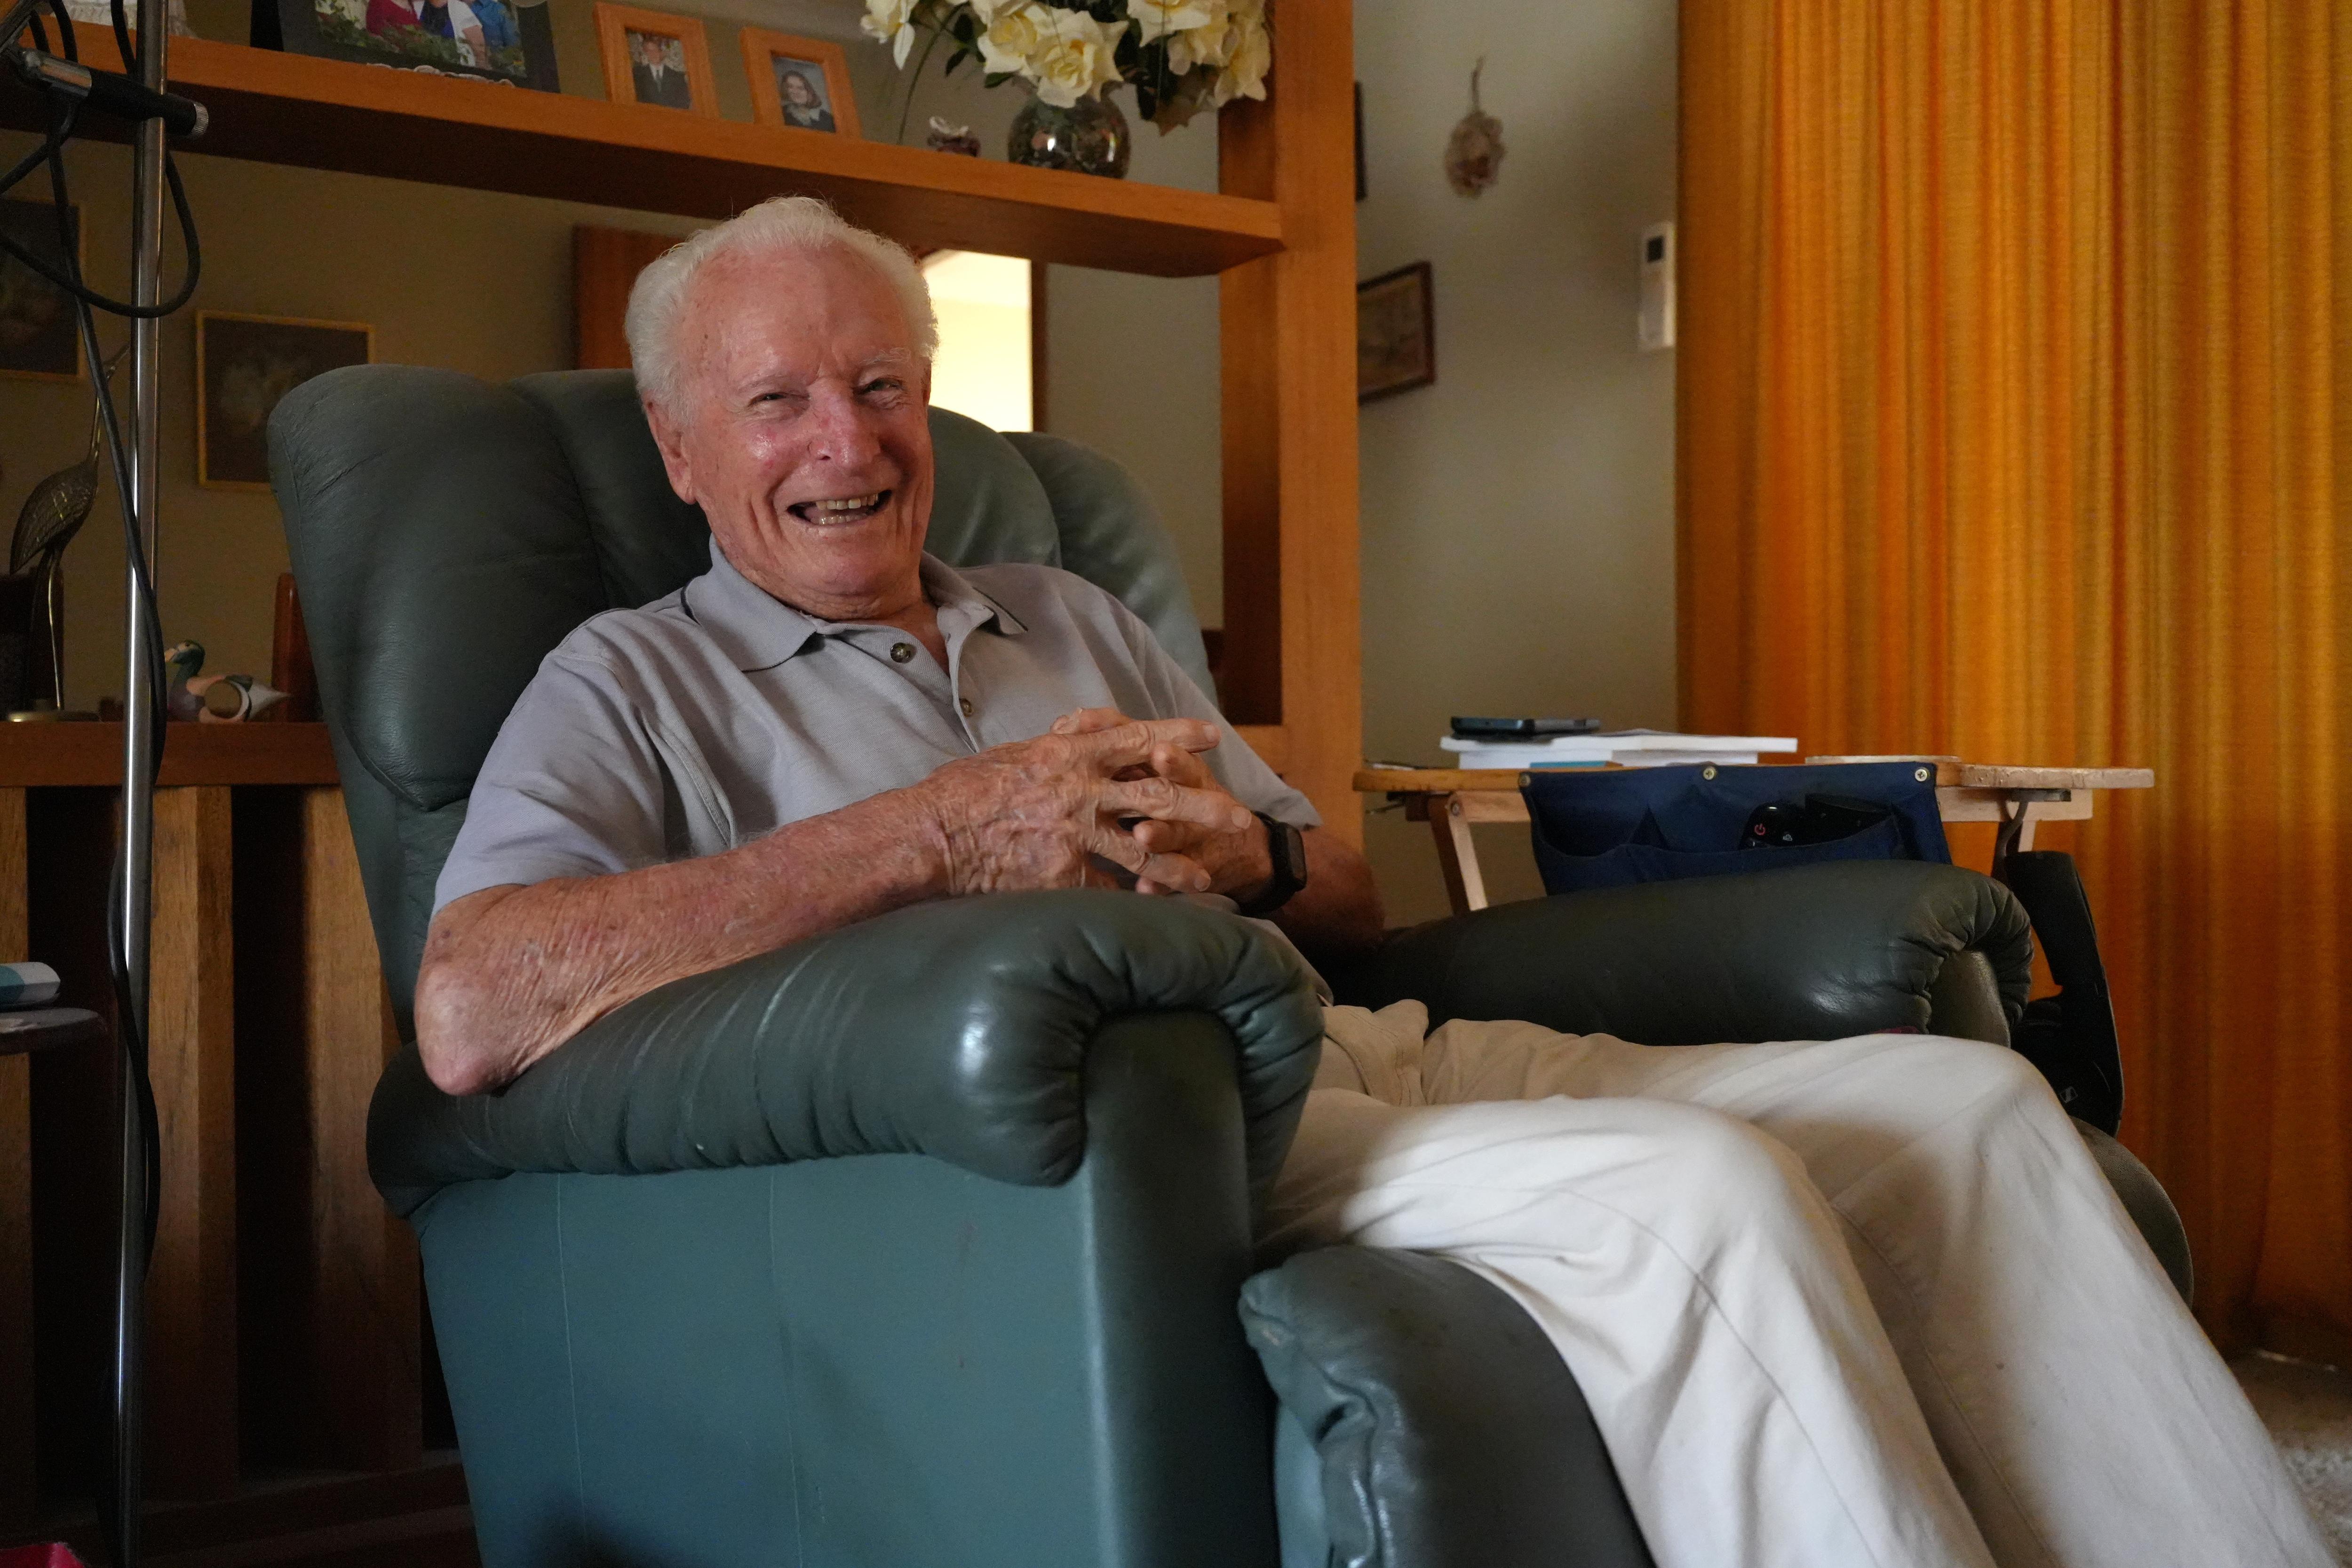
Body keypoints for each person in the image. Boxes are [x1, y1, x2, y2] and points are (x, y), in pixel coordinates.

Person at [415, 195, 2330, 1568]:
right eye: (775, 403)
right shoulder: (631, 678)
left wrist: (1249, 850)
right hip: (1134, 1149)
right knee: (1692, 1198)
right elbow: (472, 1004)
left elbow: (1332, 886)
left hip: (1370, 1045)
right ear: (677, 447)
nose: (849, 441)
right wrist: (936, 832)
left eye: (884, 384)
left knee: (1977, 1106)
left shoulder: (1068, 607)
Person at [630, 32, 691, 111]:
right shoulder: (637, 74)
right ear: (645, 53)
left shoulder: (677, 77)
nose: (653, 54)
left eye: (656, 50)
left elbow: (684, 102)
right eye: (649, 51)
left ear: (663, 52)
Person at [776, 65, 834, 132]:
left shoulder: (827, 119)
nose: (795, 92)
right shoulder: (781, 113)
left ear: (810, 91)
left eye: (801, 88)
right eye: (790, 87)